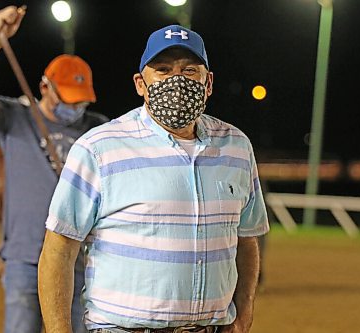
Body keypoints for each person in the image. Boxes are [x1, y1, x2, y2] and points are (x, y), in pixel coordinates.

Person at [38, 24, 270, 333]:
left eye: (190, 71)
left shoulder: (237, 147)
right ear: (140, 84)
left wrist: (244, 312)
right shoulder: (98, 148)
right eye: (162, 70)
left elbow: (247, 239)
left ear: (209, 82)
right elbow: (59, 249)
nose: (176, 81)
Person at [0, 5, 108, 333]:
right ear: (45, 88)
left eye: (81, 100)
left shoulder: (97, 128)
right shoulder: (16, 118)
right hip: (25, 258)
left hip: (81, 259)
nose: (75, 108)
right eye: (69, 98)